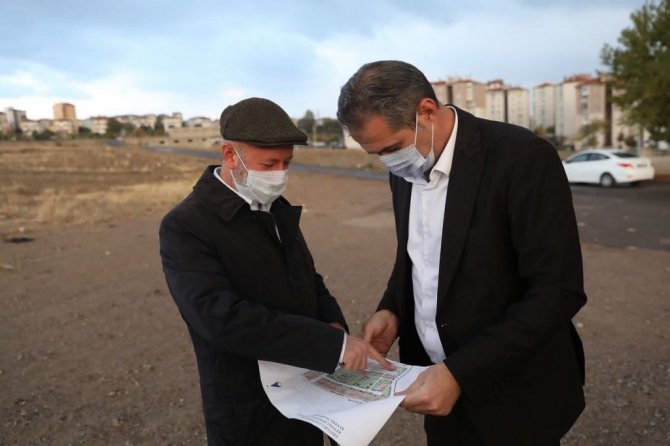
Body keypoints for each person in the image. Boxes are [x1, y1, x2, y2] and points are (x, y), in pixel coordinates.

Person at [337, 61, 586, 445]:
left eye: (390, 149)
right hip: (438, 396)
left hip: (515, 397)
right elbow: (417, 256)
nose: (387, 162)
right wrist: (392, 309)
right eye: (376, 154)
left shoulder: (521, 157)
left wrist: (460, 374)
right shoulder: (405, 169)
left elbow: (558, 290)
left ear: (426, 111)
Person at [159, 97, 390, 445]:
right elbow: (221, 319)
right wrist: (330, 345)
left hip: (306, 395)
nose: (279, 174)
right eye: (268, 164)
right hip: (248, 409)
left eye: (286, 163)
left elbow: (308, 278)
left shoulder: (275, 207)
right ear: (229, 155)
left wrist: (332, 322)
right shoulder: (186, 225)